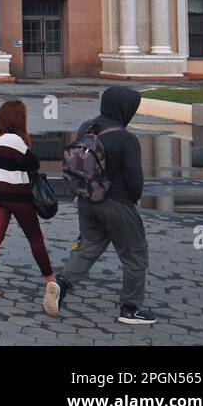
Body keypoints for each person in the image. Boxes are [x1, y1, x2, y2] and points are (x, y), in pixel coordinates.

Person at [46, 85, 155, 324]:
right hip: (117, 203)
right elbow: (135, 179)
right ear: (124, 109)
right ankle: (130, 309)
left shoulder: (87, 127)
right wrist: (133, 199)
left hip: (86, 200)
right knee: (135, 255)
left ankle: (61, 285)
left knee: (88, 247)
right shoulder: (127, 139)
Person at [0, 100, 58, 308]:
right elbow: (34, 164)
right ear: (18, 118)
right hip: (18, 198)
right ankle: (51, 280)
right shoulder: (15, 140)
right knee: (35, 238)